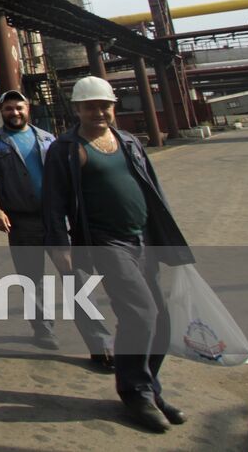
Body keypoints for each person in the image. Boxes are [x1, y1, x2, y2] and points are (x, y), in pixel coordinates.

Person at [43, 75, 194, 433]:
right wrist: (59, 248)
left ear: (113, 107)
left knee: (163, 320)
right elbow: (52, 204)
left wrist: (167, 238)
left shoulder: (129, 141)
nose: (98, 112)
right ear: (77, 109)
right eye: (90, 106)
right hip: (106, 243)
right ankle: (134, 392)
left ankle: (150, 388)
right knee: (141, 314)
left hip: (144, 239)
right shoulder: (65, 149)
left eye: (104, 106)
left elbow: (153, 190)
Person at [0, 89, 113, 364]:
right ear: (0, 112)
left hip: (55, 221)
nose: (14, 113)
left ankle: (99, 342)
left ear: (28, 108)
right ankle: (42, 329)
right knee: (31, 279)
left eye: (19, 107)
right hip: (20, 220)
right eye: (8, 109)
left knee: (76, 278)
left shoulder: (49, 139)